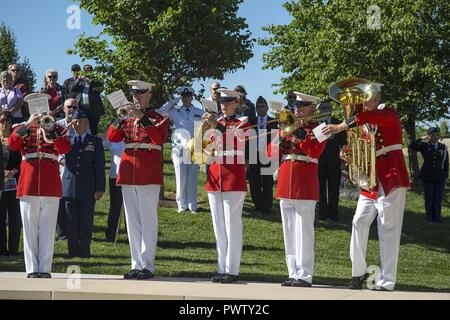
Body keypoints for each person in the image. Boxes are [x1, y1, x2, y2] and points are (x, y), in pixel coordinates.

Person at [322, 83, 411, 291]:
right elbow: (362, 146)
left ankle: (386, 280)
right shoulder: (362, 120)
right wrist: (348, 153)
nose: (362, 102)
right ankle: (359, 271)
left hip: (391, 176)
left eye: (367, 97)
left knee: (388, 228)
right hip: (370, 180)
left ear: (377, 97)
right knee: (358, 222)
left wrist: (340, 127)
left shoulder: (388, 113)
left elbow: (366, 118)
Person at [107, 80, 169, 280]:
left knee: (148, 220)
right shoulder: (126, 118)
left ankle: (148, 265)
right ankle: (136, 264)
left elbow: (158, 138)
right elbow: (113, 137)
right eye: (134, 94)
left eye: (141, 94)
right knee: (132, 221)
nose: (137, 97)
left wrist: (142, 117)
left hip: (147, 173)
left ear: (149, 95)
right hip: (128, 172)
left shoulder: (159, 117)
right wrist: (119, 118)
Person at [8, 98, 71, 278]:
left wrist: (51, 129)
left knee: (48, 227)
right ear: (29, 108)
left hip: (50, 183)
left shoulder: (57, 128)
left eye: (42, 106)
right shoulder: (22, 127)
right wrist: (28, 124)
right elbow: (13, 144)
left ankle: (44, 268)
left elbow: (65, 148)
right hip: (28, 181)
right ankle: (32, 269)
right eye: (36, 106)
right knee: (29, 228)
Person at [269, 93, 326, 288]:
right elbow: (270, 154)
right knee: (289, 231)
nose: (298, 109)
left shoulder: (320, 128)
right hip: (286, 180)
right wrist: (281, 134)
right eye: (296, 106)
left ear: (313, 108)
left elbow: (314, 150)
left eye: (303, 106)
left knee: (304, 231)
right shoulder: (288, 126)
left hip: (305, 183)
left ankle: (305, 274)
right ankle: (292, 272)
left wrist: (298, 131)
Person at [202, 88, 250, 284]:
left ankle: (232, 269)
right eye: (222, 102)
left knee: (232, 226)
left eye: (228, 102)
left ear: (236, 103)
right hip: (215, 175)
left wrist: (217, 128)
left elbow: (237, 141)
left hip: (233, 177)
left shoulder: (243, 122)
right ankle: (221, 268)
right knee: (219, 227)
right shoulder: (215, 123)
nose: (223, 105)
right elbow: (205, 148)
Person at [62, 110, 105, 258]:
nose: (83, 124)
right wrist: (65, 131)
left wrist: (100, 188)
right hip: (69, 188)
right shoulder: (66, 140)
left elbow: (99, 166)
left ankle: (85, 251)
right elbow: (56, 145)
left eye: (85, 121)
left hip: (88, 188)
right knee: (71, 222)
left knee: (86, 222)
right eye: (79, 121)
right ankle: (72, 252)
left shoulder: (95, 141)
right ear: (73, 124)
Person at [157, 86, 203, 213]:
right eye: (183, 96)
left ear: (192, 97)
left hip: (194, 147)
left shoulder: (200, 111)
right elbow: (159, 113)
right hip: (179, 148)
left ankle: (192, 204)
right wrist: (171, 102)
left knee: (192, 177)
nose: (185, 99)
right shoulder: (174, 111)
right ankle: (181, 205)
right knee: (180, 176)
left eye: (188, 96)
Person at [409, 127, 448, 222]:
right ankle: (430, 217)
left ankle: (437, 217)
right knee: (429, 197)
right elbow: (412, 146)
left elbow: (446, 161)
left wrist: (445, 174)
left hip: (439, 176)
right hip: (427, 176)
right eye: (433, 135)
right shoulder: (424, 146)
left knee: (438, 198)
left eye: (437, 135)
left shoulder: (443, 147)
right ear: (429, 136)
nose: (435, 137)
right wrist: (422, 138)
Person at [55, 98, 80, 241]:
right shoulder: (58, 124)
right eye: (69, 107)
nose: (72, 109)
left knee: (72, 199)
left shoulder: (82, 124)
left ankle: (73, 230)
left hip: (76, 167)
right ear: (64, 109)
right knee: (59, 199)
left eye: (75, 107)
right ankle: (61, 232)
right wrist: (60, 159)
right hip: (61, 165)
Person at [317, 102, 347, 221]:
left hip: (334, 160)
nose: (326, 110)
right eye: (324, 108)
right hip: (319, 160)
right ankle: (322, 213)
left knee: (334, 188)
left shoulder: (338, 123)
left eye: (328, 107)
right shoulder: (316, 124)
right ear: (320, 110)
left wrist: (344, 153)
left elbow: (343, 143)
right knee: (320, 188)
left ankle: (333, 213)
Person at [248, 96, 277, 214]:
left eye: (262, 106)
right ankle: (258, 204)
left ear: (267, 107)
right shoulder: (251, 121)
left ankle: (267, 205)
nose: (260, 108)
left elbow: (276, 141)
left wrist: (275, 158)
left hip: (267, 155)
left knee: (267, 182)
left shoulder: (273, 121)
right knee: (254, 181)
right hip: (253, 154)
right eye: (258, 106)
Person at [0, 111, 20, 256]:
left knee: (14, 217)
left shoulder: (16, 139)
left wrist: (13, 171)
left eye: (7, 121)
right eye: (2, 121)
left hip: (14, 181)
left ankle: (13, 248)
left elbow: (22, 157)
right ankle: (1, 248)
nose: (5, 124)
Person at [101, 135, 125, 242]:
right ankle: (111, 234)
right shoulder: (114, 135)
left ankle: (133, 235)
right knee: (115, 207)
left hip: (131, 177)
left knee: (132, 209)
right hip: (115, 176)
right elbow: (100, 145)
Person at [79, 64, 105, 135]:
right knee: (83, 127)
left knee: (94, 127)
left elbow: (101, 89)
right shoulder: (80, 80)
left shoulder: (97, 80)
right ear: (83, 71)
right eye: (86, 71)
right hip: (82, 108)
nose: (88, 72)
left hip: (94, 108)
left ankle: (94, 143)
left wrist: (93, 81)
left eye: (89, 70)